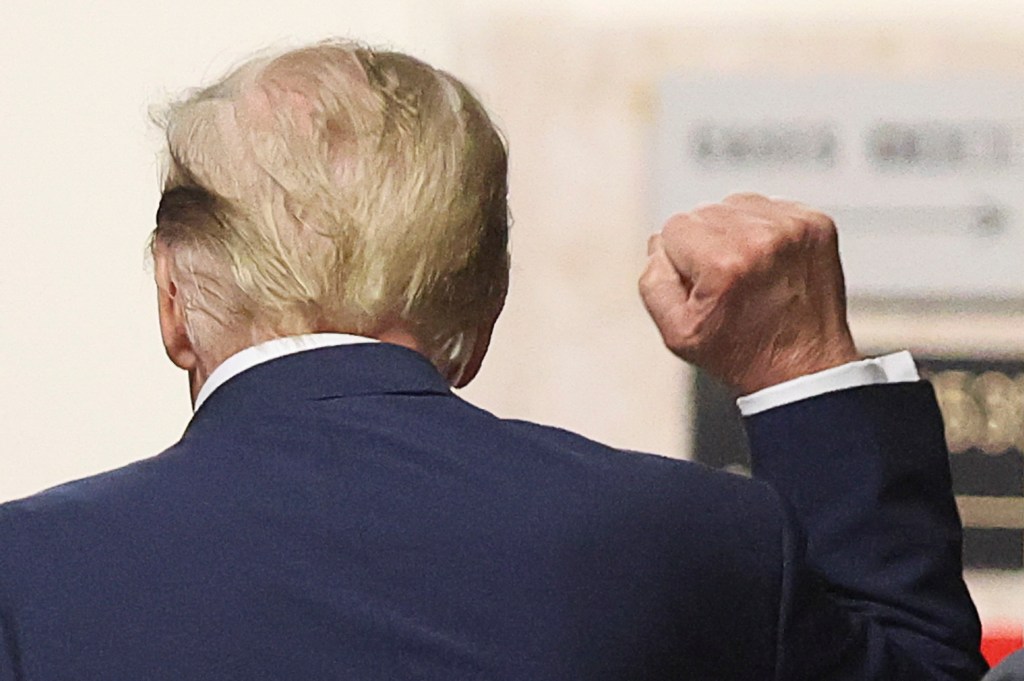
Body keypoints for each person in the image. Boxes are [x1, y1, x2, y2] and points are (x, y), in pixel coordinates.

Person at [0, 40, 987, 680]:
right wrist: (798, 365)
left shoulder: (25, 577)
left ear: (175, 301)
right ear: (484, 298)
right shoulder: (691, 542)